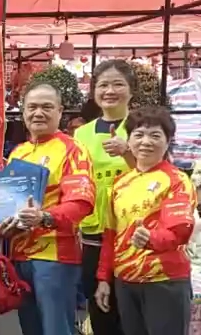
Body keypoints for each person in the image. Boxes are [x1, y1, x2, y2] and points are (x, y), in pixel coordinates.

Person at [0, 83, 95, 335]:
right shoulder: (18, 152)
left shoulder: (72, 149)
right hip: (20, 256)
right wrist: (3, 225)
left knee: (56, 329)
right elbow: (6, 207)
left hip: (55, 257)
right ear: (23, 112)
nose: (38, 113)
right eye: (32, 107)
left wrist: (44, 217)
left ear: (60, 111)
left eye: (46, 107)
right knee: (29, 328)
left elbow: (81, 203)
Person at [95, 106, 196, 335]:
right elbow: (110, 235)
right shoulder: (119, 184)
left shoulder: (177, 180)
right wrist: (103, 278)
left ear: (168, 141)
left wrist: (151, 238)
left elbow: (180, 231)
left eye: (155, 135)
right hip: (125, 281)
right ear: (128, 141)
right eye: (139, 135)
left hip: (164, 280)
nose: (146, 142)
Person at [73, 60, 136, 335]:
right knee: (99, 304)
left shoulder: (142, 128)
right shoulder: (82, 133)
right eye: (103, 85)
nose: (110, 91)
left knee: (130, 305)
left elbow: (160, 174)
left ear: (131, 90)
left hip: (131, 230)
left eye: (118, 84)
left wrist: (127, 151)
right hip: (93, 230)